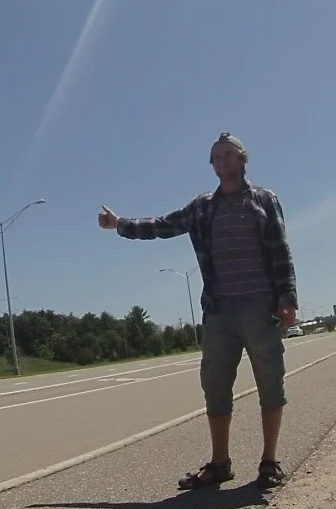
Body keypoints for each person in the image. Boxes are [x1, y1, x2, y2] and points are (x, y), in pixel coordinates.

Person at [98, 132, 298, 490]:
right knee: (216, 388)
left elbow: (281, 251)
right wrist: (120, 225)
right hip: (219, 312)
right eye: (214, 158)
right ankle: (219, 464)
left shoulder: (265, 200)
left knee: (271, 383)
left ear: (241, 159)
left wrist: (287, 299)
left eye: (226, 155)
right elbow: (162, 225)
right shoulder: (203, 206)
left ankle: (269, 462)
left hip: (258, 306)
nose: (219, 161)